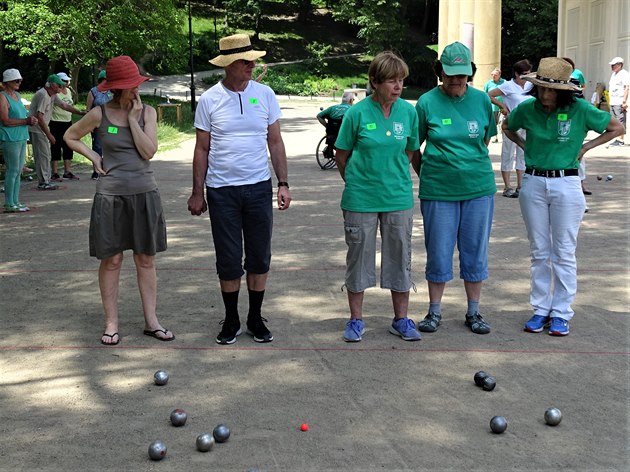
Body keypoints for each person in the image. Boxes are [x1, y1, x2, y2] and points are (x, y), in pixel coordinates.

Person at [502, 57, 623, 336]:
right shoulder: (527, 109)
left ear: (565, 91)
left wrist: (585, 148)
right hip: (533, 183)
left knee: (564, 251)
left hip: (566, 183)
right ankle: (540, 308)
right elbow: (507, 126)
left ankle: (561, 312)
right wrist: (523, 145)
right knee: (539, 251)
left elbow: (617, 128)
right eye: (542, 89)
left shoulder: (580, 109)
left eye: (552, 90)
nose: (546, 95)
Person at [187, 33, 291, 345]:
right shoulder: (210, 100)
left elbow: (275, 141)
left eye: (252, 60)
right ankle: (231, 317)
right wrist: (197, 192)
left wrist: (283, 183)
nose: (252, 65)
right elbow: (201, 149)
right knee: (229, 259)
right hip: (222, 191)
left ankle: (255, 317)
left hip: (259, 188)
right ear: (230, 64)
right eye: (246, 61)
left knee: (259, 257)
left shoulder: (265, 94)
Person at [64, 55, 174, 346]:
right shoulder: (99, 113)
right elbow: (70, 136)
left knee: (145, 258)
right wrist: (94, 156)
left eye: (136, 84)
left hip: (144, 192)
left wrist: (133, 122)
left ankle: (152, 321)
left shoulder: (147, 112)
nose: (135, 90)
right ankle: (111, 322)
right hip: (110, 195)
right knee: (111, 259)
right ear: (116, 88)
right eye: (130, 86)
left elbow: (148, 152)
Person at [335, 51, 421, 343]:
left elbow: (410, 152)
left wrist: (391, 175)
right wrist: (360, 182)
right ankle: (356, 320)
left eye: (401, 81)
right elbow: (341, 156)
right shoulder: (356, 113)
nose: (397, 87)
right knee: (358, 258)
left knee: (400, 256)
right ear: (374, 81)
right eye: (391, 81)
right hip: (360, 198)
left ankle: (401, 320)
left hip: (398, 198)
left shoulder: (408, 112)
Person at [413, 41, 497, 335]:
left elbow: (484, 140)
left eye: (462, 75)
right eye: (450, 74)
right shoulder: (425, 103)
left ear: (470, 73)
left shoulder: (482, 100)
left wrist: (467, 165)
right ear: (440, 72)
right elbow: (414, 147)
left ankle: (474, 312)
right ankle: (433, 311)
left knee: (475, 251)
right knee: (438, 251)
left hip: (478, 188)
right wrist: (431, 174)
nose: (456, 80)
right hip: (438, 190)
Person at [488, 59, 533, 198]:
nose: (526, 76)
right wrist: (503, 106)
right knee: (508, 153)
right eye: (524, 74)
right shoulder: (508, 86)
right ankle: (507, 186)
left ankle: (521, 186)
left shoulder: (531, 85)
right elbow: (489, 95)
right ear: (516, 73)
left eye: (528, 73)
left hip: (527, 123)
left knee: (523, 153)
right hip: (511, 123)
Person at [0, 69, 38, 212]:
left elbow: (22, 114)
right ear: (8, 82)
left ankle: (16, 201)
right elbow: (5, 120)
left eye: (20, 80)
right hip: (10, 137)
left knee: (18, 171)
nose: (19, 82)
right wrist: (25, 120)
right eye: (16, 80)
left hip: (21, 136)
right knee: (13, 170)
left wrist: (29, 119)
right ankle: (9, 203)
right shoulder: (2, 97)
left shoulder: (17, 95)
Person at [28, 74, 74, 190]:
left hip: (41, 129)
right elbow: (39, 116)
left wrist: (81, 113)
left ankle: (45, 180)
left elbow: (64, 105)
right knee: (43, 155)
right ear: (52, 85)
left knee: (45, 154)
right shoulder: (43, 95)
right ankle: (44, 182)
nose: (61, 87)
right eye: (59, 85)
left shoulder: (52, 95)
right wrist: (49, 135)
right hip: (38, 129)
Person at [49, 72, 85, 181]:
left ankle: (67, 171)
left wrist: (76, 111)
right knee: (56, 145)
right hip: (56, 121)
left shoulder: (68, 91)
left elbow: (70, 104)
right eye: (63, 81)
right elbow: (64, 105)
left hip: (67, 121)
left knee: (68, 145)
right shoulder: (55, 93)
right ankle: (54, 173)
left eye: (66, 81)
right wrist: (79, 112)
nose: (66, 83)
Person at [563, 58, 591, 196]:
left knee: (579, 155)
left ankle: (581, 184)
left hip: (573, 122)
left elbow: (579, 97)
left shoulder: (574, 80)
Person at [86, 70, 113, 180]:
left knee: (111, 144)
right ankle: (96, 170)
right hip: (97, 125)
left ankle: (109, 169)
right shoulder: (93, 92)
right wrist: (89, 125)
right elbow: (88, 110)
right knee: (97, 146)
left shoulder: (112, 91)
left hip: (111, 124)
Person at [316, 91, 354, 160]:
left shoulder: (332, 108)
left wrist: (327, 126)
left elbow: (319, 116)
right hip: (343, 135)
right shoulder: (351, 109)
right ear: (351, 100)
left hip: (331, 133)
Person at [607, 56, 629, 146]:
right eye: (611, 65)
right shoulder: (614, 74)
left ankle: (621, 140)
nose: (612, 67)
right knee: (614, 120)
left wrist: (624, 101)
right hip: (613, 100)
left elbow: (626, 87)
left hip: (619, 100)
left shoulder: (624, 74)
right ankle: (617, 138)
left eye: (614, 65)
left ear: (620, 65)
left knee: (620, 120)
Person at [483, 68, 505, 143]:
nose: (493, 76)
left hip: (503, 106)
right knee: (494, 122)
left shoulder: (504, 82)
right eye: (492, 75)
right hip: (492, 107)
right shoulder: (488, 83)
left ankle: (502, 136)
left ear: (499, 75)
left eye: (495, 75)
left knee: (502, 122)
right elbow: (485, 94)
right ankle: (495, 137)